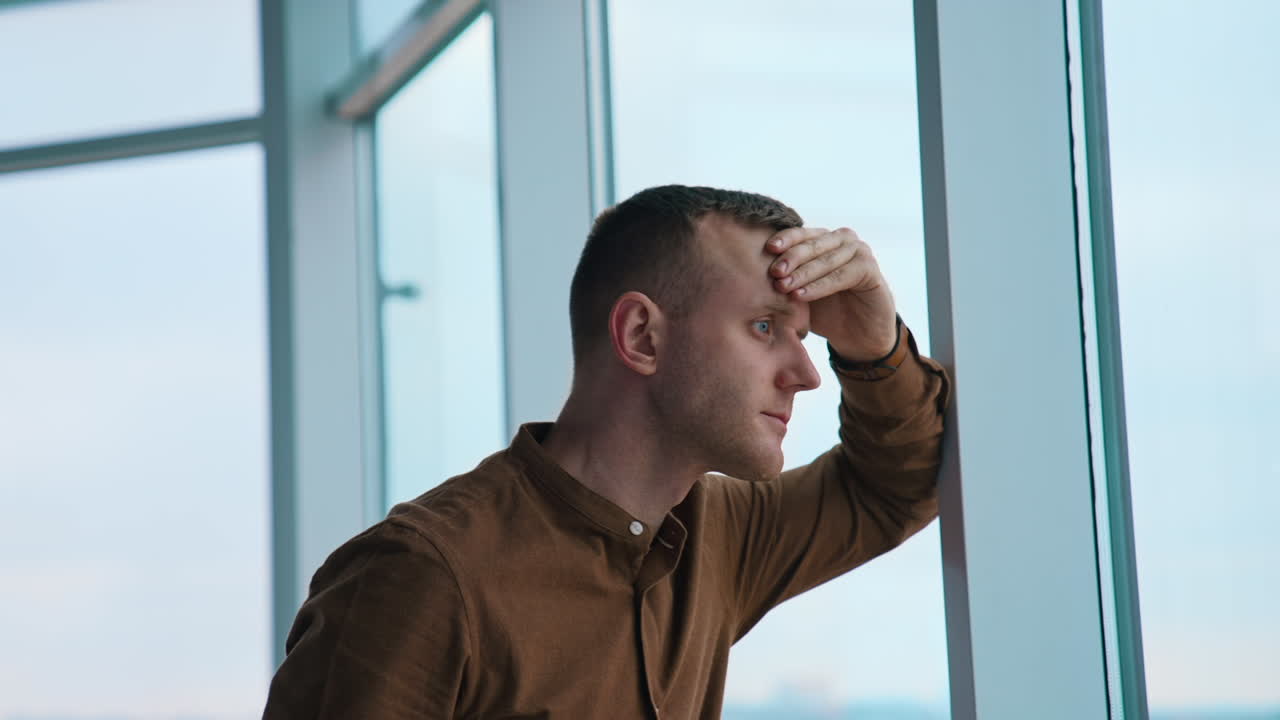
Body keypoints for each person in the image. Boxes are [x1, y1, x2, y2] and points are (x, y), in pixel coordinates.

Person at [262, 185, 950, 719]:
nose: (805, 372)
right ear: (642, 336)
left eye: (803, 336)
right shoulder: (423, 578)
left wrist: (875, 345)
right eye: (765, 327)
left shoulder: (721, 533)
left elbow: (894, 487)